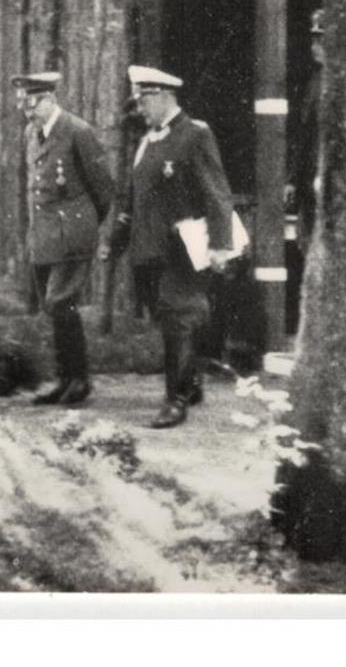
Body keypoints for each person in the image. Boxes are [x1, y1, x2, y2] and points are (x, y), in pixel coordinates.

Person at [104, 65, 236, 429]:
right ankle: (191, 384)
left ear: (163, 96)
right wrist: (115, 243)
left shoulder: (195, 135)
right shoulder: (147, 142)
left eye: (144, 100)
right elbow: (133, 201)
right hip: (146, 251)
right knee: (167, 319)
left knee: (177, 318)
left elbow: (217, 193)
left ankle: (175, 400)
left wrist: (220, 245)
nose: (140, 108)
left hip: (182, 249)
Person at [13, 71, 114, 407]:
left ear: (50, 99)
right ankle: (66, 380)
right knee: (55, 307)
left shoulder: (77, 131)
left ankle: (79, 380)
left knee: (61, 302)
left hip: (71, 233)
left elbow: (103, 189)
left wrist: (84, 224)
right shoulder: (32, 133)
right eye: (22, 103)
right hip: (44, 235)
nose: (26, 109)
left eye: (32, 102)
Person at [288, 8, 325, 254]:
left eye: (321, 40)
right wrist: (292, 179)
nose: (315, 46)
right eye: (314, 39)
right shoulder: (315, 83)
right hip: (310, 186)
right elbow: (303, 134)